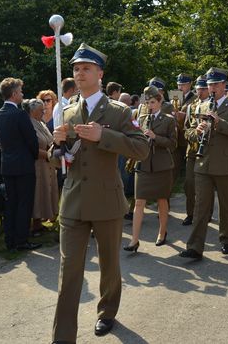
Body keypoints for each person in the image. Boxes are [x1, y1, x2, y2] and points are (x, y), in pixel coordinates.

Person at [51, 43, 149, 342]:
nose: (80, 73)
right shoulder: (66, 111)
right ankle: (62, 336)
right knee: (69, 274)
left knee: (109, 265)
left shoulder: (120, 111)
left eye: (86, 68)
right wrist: (56, 147)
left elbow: (142, 149)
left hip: (107, 200)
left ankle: (107, 312)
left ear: (100, 74)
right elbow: (57, 158)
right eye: (76, 69)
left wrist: (103, 135)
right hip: (74, 202)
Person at [180, 67, 228, 259]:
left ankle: (227, 238)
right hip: (203, 163)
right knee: (201, 206)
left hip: (225, 164)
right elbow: (188, 133)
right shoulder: (200, 106)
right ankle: (195, 246)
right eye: (209, 85)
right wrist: (197, 132)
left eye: (215, 84)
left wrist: (220, 123)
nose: (212, 88)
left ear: (223, 85)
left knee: (226, 205)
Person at [124, 86, 177, 252]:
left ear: (160, 101)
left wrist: (156, 137)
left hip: (162, 166)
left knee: (162, 200)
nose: (150, 105)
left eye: (153, 102)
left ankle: (162, 232)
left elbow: (173, 144)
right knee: (139, 201)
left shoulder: (169, 119)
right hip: (144, 164)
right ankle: (134, 240)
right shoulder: (142, 118)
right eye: (147, 102)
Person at [0, 78, 41, 252]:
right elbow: (31, 140)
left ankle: (10, 239)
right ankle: (21, 240)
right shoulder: (20, 114)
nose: (22, 94)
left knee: (11, 203)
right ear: (14, 94)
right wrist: (34, 155)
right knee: (24, 203)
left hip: (7, 164)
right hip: (24, 165)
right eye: (20, 91)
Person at [25, 98, 59, 236]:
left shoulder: (41, 123)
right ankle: (35, 224)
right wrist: (48, 155)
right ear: (32, 111)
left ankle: (44, 219)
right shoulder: (29, 124)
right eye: (40, 110)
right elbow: (31, 147)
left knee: (47, 191)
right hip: (37, 164)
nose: (43, 112)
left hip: (47, 164)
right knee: (38, 193)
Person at [181, 75, 209, 226]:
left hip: (209, 151)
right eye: (199, 88)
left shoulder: (213, 105)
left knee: (206, 186)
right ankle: (190, 213)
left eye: (204, 88)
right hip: (192, 150)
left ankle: (206, 212)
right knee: (189, 184)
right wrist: (195, 133)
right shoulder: (191, 106)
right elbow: (186, 129)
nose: (201, 92)